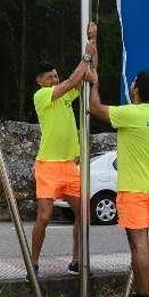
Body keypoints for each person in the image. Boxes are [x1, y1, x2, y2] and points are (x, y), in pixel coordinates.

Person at [88, 67, 149, 297]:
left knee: (137, 245)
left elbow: (95, 108)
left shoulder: (133, 114)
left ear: (136, 89)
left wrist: (94, 84)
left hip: (133, 189)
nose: (131, 83)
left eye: (133, 82)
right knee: (144, 239)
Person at [30, 22, 96, 278]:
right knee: (44, 216)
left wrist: (93, 41)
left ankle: (76, 261)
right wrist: (86, 55)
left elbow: (88, 72)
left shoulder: (65, 95)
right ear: (40, 81)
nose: (54, 79)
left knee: (84, 213)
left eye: (56, 76)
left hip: (69, 164)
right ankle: (33, 262)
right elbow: (72, 81)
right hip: (47, 165)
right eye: (50, 77)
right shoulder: (42, 96)